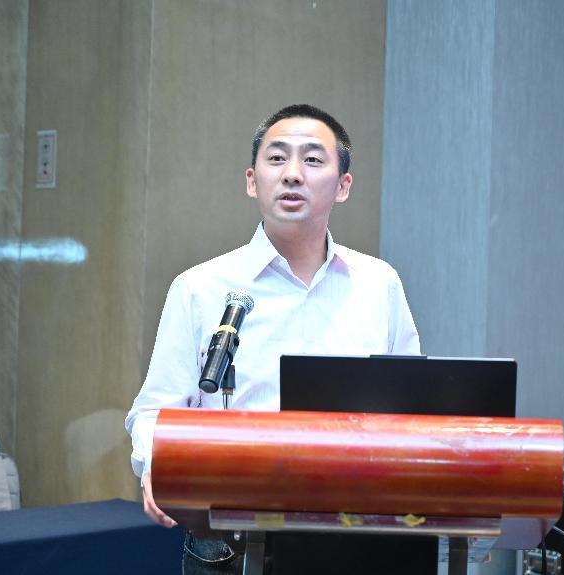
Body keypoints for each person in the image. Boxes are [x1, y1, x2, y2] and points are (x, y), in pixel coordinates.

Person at [124, 104, 421, 572]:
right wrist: (154, 462)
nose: (293, 174)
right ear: (252, 180)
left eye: (313, 160)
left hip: (353, 532)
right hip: (229, 540)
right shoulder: (201, 288)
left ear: (343, 186)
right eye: (277, 158)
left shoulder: (378, 284)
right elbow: (154, 410)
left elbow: (411, 410)